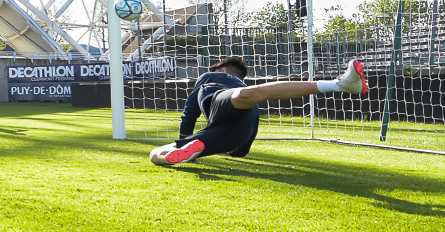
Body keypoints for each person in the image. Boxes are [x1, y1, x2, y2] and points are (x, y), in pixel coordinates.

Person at [150, 56, 368, 167]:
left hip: (220, 107)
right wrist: (238, 149)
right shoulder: (243, 86)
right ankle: (191, 150)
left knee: (154, 154)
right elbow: (245, 143)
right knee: (248, 97)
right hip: (240, 131)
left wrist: (182, 137)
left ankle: (181, 151)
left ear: (223, 70)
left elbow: (190, 113)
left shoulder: (210, 77)